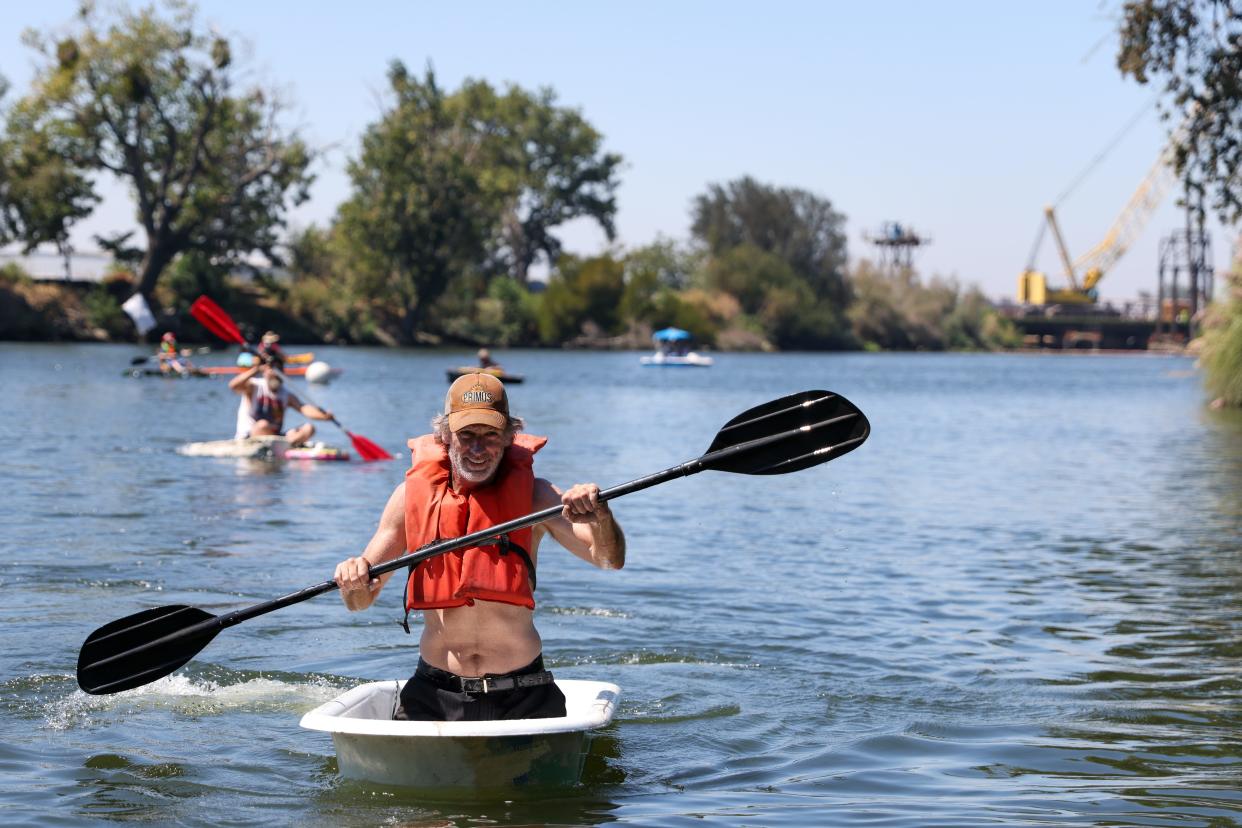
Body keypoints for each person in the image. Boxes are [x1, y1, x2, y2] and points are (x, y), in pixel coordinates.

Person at [332, 373, 625, 722]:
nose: (477, 448)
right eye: (466, 435)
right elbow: (360, 602)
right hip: (434, 695)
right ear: (444, 436)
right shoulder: (409, 498)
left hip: (524, 694)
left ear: (509, 437)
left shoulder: (536, 496)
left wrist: (601, 517)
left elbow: (609, 560)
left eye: (490, 436)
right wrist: (352, 580)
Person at [228, 357, 333, 446]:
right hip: (250, 436)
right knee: (262, 425)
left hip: (276, 439)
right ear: (265, 372)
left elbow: (304, 408)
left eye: (279, 369)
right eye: (273, 369)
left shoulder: (286, 394)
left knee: (309, 428)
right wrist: (256, 369)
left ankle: (287, 445)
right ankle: (289, 445)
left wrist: (323, 416)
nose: (275, 374)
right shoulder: (254, 386)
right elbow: (233, 385)